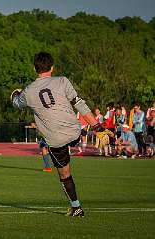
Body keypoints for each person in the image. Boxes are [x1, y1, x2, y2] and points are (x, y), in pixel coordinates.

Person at [11, 52, 104, 217]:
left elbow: (16, 104)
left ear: (34, 68)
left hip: (56, 140)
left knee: (65, 173)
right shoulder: (62, 80)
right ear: (52, 67)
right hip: (74, 131)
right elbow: (79, 103)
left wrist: (15, 94)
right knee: (74, 132)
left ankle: (76, 207)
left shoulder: (29, 90)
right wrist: (97, 127)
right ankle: (81, 138)